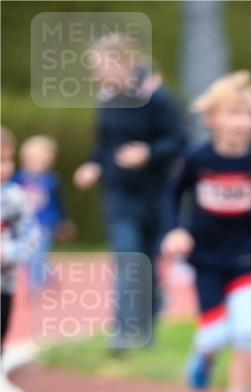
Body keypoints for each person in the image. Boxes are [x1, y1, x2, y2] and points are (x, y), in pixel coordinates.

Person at [162, 71, 251, 392]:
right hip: (205, 260)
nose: (240, 122)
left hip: (243, 258)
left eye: (247, 114)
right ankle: (203, 356)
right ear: (212, 119)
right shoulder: (197, 158)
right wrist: (175, 230)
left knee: (248, 330)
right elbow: (172, 195)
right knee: (216, 337)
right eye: (232, 113)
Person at [73, 33, 185, 350]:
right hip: (119, 194)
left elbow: (179, 141)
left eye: (101, 67)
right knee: (127, 258)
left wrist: (147, 153)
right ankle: (123, 332)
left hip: (154, 194)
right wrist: (93, 165)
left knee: (147, 264)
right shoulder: (107, 99)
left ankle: (146, 330)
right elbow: (105, 145)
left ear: (122, 63)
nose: (97, 75)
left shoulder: (157, 97)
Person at [14, 135, 73, 293]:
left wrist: (64, 222)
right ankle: (46, 278)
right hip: (23, 226)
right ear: (26, 158)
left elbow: (60, 202)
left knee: (39, 254)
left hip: (45, 225)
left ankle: (34, 289)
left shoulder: (52, 180)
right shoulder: (17, 178)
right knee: (26, 257)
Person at [1, 127, 40, 353]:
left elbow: (30, 234)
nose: (3, 167)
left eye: (6, 160)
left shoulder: (16, 198)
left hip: (4, 283)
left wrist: (10, 253)